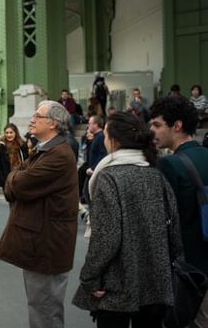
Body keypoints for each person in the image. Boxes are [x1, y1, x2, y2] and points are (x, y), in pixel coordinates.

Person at [73, 112, 182, 327]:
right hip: (156, 282)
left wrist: (89, 278)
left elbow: (106, 238)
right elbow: (174, 230)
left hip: (116, 285)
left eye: (104, 135)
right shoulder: (155, 174)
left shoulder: (109, 177)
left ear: (114, 140)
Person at [0, 101, 79, 328]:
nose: (31, 119)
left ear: (52, 123)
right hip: (42, 243)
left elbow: (18, 185)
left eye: (37, 115)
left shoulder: (57, 155)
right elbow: (18, 177)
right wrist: (16, 176)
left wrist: (14, 177)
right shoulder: (48, 149)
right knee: (40, 306)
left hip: (47, 246)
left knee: (45, 310)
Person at [150, 95, 208, 327]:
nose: (152, 131)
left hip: (189, 272)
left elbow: (162, 221)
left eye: (157, 124)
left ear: (177, 125)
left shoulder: (170, 164)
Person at [0, 123, 28, 190]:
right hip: (6, 179)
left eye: (11, 132)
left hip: (20, 177)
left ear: (15, 133)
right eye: (7, 133)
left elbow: (26, 160)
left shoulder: (22, 145)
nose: (9, 135)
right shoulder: (1, 146)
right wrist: (3, 180)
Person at [84, 115, 107, 203]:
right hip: (92, 170)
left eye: (90, 124)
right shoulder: (96, 136)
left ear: (96, 125)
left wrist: (93, 168)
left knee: (88, 194)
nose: (88, 126)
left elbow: (103, 154)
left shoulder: (101, 137)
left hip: (94, 171)